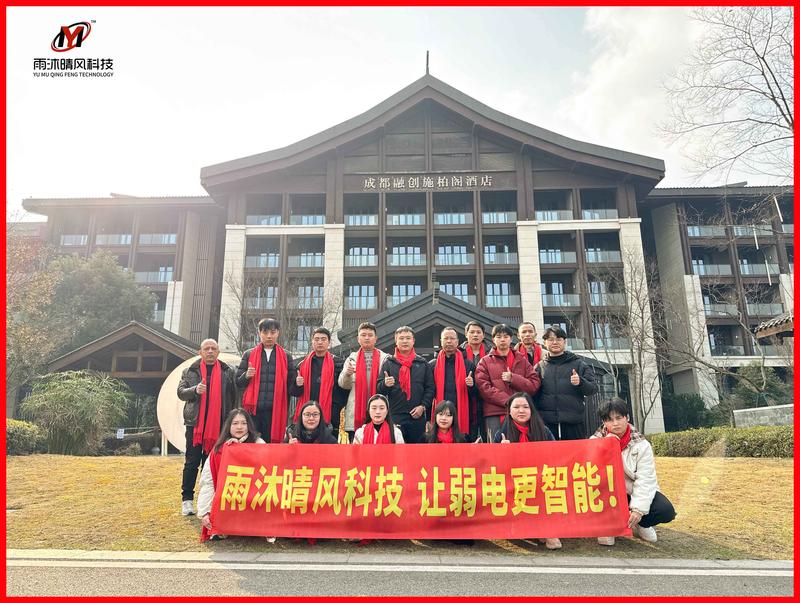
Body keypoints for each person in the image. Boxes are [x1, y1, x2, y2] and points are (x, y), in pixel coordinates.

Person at [591, 398, 676, 546]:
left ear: (627, 417)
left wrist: (638, 510)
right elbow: (591, 474)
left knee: (664, 510)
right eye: (610, 420)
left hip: (630, 492)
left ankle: (640, 523)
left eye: (619, 418)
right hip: (606, 494)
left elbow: (646, 479)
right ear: (604, 422)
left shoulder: (642, 445)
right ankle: (609, 525)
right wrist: (607, 446)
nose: (615, 423)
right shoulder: (594, 442)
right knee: (606, 540)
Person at [177, 338, 237, 516]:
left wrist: (231, 421)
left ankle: (208, 500)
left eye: (213, 348)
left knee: (211, 464)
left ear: (218, 352)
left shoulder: (228, 372)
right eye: (206, 348)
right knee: (191, 462)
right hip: (195, 425)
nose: (210, 351)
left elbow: (233, 397)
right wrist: (195, 390)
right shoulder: (189, 371)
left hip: (219, 425)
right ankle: (187, 500)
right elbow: (181, 393)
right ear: (200, 352)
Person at [495, 392, 561, 550]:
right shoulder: (501, 434)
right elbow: (494, 467)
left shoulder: (544, 431)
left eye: (525, 407)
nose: (521, 410)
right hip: (513, 481)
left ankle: (547, 529)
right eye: (516, 407)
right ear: (509, 411)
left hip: (539, 478)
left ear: (531, 410)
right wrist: (502, 452)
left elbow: (557, 455)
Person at [197, 409, 266, 541]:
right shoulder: (218, 450)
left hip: (253, 497)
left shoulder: (259, 444)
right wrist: (205, 512)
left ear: (249, 425)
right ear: (228, 426)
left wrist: (240, 450)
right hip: (229, 499)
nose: (239, 427)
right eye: (235, 423)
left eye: (243, 423)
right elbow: (208, 482)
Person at [475, 324, 540, 443]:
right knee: (496, 448)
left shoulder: (521, 360)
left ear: (511, 339)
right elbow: (483, 388)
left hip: (520, 413)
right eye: (499, 337)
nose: (502, 339)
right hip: (495, 412)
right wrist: (509, 402)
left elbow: (534, 384)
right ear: (493, 339)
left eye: (506, 336)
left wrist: (513, 378)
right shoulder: (485, 361)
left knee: (520, 447)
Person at [236, 317, 297, 444]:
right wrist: (246, 376)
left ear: (278, 333)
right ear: (259, 333)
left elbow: (292, 388)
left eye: (273, 332)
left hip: (275, 411)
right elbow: (238, 383)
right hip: (253, 411)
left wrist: (298, 384)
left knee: (271, 446)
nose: (269, 336)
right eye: (265, 332)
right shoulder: (249, 354)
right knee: (252, 444)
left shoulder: (286, 356)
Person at [534, 325, 598, 440]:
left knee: (576, 451)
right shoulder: (540, 367)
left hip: (574, 422)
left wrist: (580, 382)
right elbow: (533, 393)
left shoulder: (578, 364)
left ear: (565, 342)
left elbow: (593, 388)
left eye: (558, 339)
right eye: (550, 339)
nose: (555, 342)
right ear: (544, 342)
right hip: (547, 423)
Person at [376, 326, 434, 444]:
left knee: (417, 451)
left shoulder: (422, 363)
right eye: (401, 338)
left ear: (413, 341)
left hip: (417, 416)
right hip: (395, 415)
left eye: (408, 338)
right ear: (396, 341)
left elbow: (430, 388)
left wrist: (423, 406)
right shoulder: (389, 363)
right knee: (396, 450)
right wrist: (385, 384)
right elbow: (379, 390)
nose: (405, 341)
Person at [338, 322, 390, 443]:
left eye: (370, 335)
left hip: (379, 412)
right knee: (357, 451)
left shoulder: (385, 359)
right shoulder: (351, 358)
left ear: (376, 338)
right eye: (363, 335)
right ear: (358, 338)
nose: (367, 338)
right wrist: (347, 374)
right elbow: (343, 385)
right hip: (356, 411)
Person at [290, 327, 347, 432]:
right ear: (312, 342)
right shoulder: (302, 365)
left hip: (331, 416)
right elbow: (294, 392)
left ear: (329, 342)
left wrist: (336, 406)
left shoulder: (338, 363)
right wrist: (298, 385)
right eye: (316, 339)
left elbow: (344, 390)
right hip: (307, 415)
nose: (320, 342)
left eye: (323, 339)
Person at [428, 327, 479, 441]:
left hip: (463, 413)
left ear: (457, 342)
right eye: (446, 338)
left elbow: (477, 394)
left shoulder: (468, 365)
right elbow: (429, 391)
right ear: (441, 341)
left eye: (452, 338)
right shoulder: (432, 365)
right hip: (440, 414)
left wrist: (471, 386)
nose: (449, 341)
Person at [459, 321, 491, 442]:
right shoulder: (459, 354)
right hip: (465, 399)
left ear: (483, 335)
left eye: (478, 332)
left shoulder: (491, 353)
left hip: (486, 400)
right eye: (472, 332)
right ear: (466, 334)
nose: (475, 335)